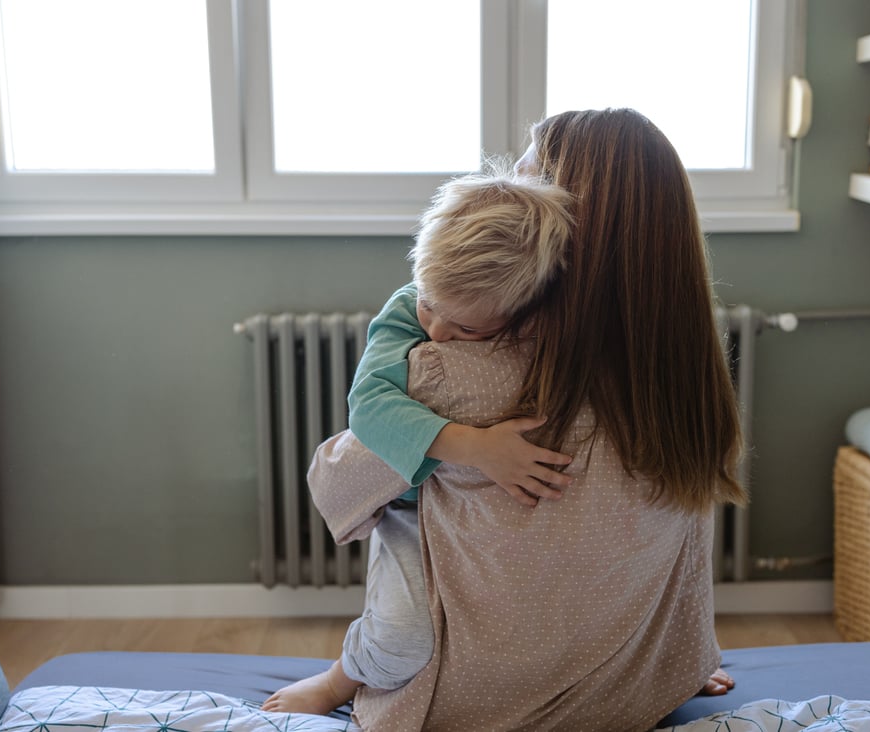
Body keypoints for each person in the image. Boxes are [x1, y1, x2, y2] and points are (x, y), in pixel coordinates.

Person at [299, 108, 747, 731]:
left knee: (391, 510)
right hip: (634, 694)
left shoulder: (459, 372)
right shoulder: (685, 384)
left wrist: (448, 446)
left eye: (527, 176)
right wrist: (685, 659)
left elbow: (334, 485)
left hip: (471, 703)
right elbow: (686, 549)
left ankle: (338, 678)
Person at [263, 170, 578, 715]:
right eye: (431, 305)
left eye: (469, 331)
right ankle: (340, 678)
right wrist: (476, 446)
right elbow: (369, 408)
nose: (435, 333)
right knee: (402, 639)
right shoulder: (406, 310)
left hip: (488, 518)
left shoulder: (540, 319)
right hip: (411, 509)